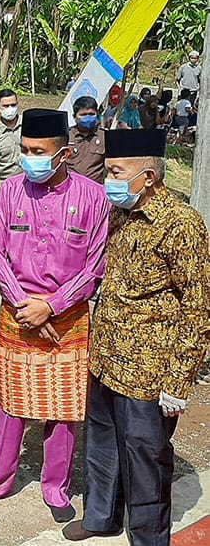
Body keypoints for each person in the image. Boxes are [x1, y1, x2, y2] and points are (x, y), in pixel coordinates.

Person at [62, 128, 210, 544]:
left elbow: (198, 307)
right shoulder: (121, 213)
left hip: (150, 372)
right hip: (107, 360)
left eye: (115, 172)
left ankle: (147, 538)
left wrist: (179, 381)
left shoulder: (181, 224)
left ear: (147, 177)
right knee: (102, 449)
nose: (107, 181)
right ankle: (100, 518)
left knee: (145, 461)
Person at [0, 109, 111, 523]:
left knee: (63, 410)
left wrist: (52, 305)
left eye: (39, 151)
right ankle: (0, 479)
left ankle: (56, 487)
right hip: (17, 312)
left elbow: (95, 266)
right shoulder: (10, 191)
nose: (31, 158)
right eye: (26, 150)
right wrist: (23, 303)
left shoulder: (93, 197)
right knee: (12, 403)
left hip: (68, 319)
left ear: (64, 153)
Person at [0, 88, 23, 183]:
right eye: (5, 106)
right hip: (6, 185)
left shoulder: (30, 126)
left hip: (30, 183)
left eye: (13, 105)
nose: (10, 109)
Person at [66, 96, 106, 183]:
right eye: (83, 115)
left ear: (97, 114)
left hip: (95, 188)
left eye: (91, 114)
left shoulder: (104, 136)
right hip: (70, 187)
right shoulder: (66, 136)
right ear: (74, 116)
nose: (88, 118)